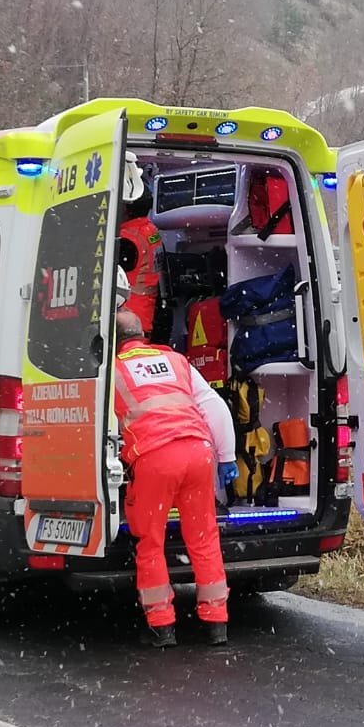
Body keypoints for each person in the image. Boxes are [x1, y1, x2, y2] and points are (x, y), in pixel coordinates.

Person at [112, 268, 238, 648]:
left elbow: (107, 427)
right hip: (199, 451)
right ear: (141, 335)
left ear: (113, 342)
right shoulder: (176, 361)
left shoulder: (113, 372)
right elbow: (213, 406)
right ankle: (217, 622)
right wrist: (227, 456)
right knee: (203, 537)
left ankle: (162, 626)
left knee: (149, 541)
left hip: (154, 457)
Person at [116, 191, 163, 334]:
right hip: (146, 314)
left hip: (127, 317)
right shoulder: (151, 231)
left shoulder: (126, 239)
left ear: (125, 208)